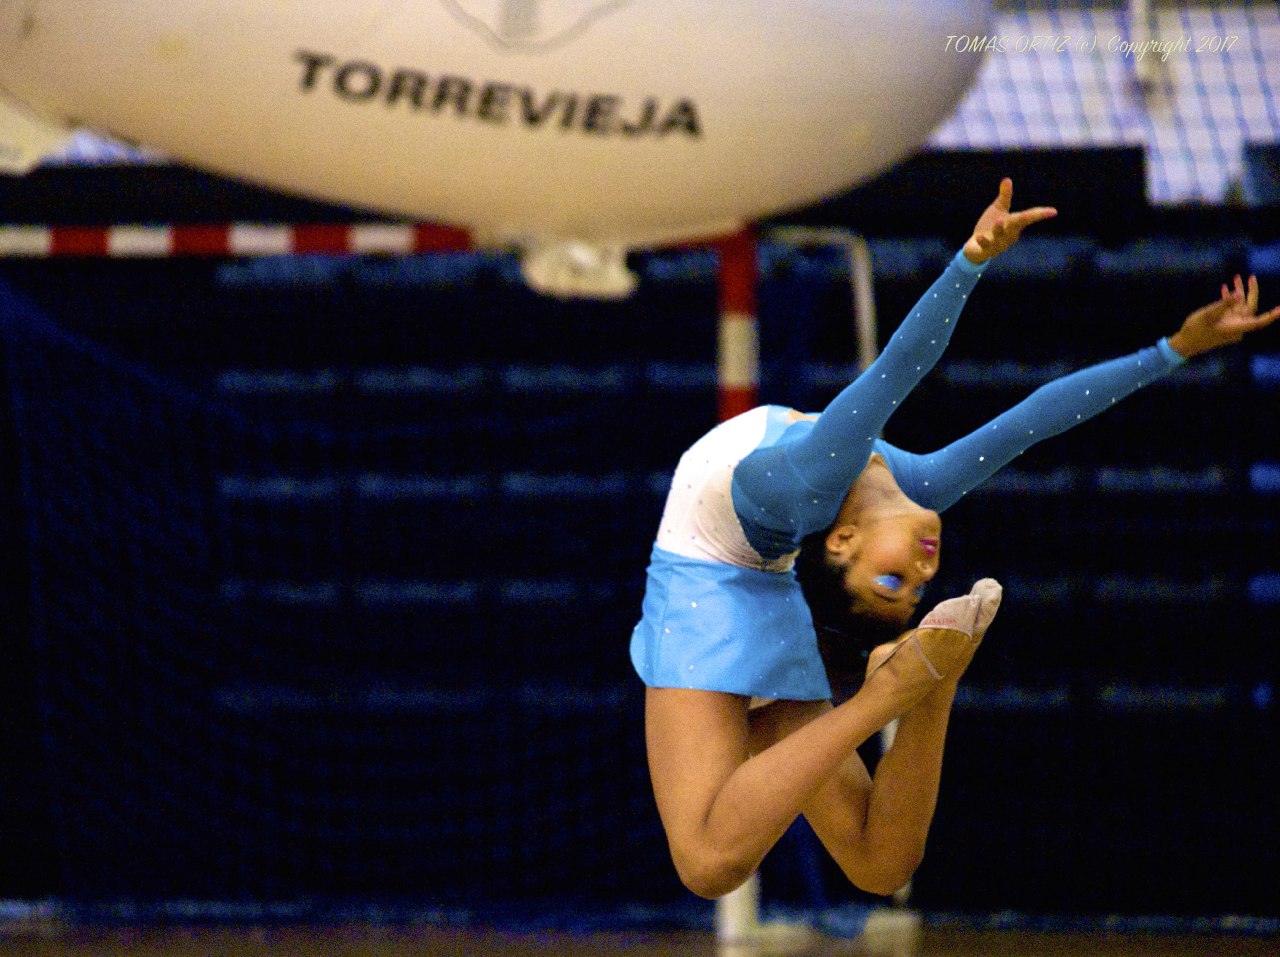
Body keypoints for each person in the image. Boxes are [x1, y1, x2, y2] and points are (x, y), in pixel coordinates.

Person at [630, 179, 1280, 900]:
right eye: (914, 589)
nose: (919, 575)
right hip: (755, 569)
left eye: (890, 581)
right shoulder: (916, 486)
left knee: (714, 862)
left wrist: (970, 260)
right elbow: (1035, 419)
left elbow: (898, 369)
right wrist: (1172, 349)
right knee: (842, 865)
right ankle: (918, 690)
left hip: (704, 577)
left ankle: (903, 694)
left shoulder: (816, 476)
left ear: (842, 541)